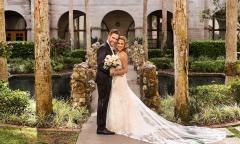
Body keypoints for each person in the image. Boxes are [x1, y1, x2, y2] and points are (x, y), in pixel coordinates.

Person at [106, 36, 226, 143]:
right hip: (116, 82)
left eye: (122, 43)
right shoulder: (116, 53)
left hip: (119, 80)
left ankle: (122, 125)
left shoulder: (123, 55)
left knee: (122, 101)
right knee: (119, 102)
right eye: (118, 43)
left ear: (125, 45)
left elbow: (125, 71)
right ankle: (120, 124)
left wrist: (113, 72)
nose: (120, 45)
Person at [95, 29, 120, 135]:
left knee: (104, 102)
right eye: (113, 37)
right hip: (103, 79)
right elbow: (100, 64)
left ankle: (102, 126)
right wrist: (111, 70)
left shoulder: (111, 48)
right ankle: (101, 128)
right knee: (102, 102)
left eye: (116, 39)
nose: (114, 40)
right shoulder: (103, 47)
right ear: (109, 36)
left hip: (106, 79)